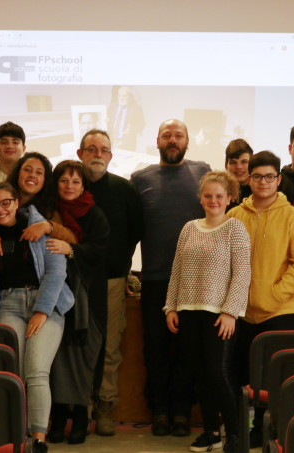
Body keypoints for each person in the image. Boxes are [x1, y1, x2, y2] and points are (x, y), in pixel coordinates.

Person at [130, 119, 211, 437]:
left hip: (196, 280)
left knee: (188, 350)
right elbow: (131, 229)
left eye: (179, 135)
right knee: (156, 349)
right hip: (154, 278)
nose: (173, 140)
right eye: (167, 135)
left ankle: (181, 412)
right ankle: (160, 411)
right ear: (157, 141)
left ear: (188, 142)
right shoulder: (139, 178)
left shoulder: (203, 170)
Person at [226, 150, 294, 448]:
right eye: (257, 176)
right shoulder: (234, 215)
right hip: (240, 312)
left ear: (279, 179)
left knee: (273, 379)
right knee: (242, 377)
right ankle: (246, 430)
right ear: (249, 179)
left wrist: (273, 294)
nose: (264, 182)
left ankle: (273, 431)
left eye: (270, 176)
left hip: (280, 312)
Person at [0, 182, 73, 453]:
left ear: (16, 202)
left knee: (36, 371)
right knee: (15, 371)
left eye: (6, 203)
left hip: (44, 302)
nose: (1, 210)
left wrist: (42, 311)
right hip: (8, 305)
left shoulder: (37, 226)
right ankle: (16, 435)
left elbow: (56, 272)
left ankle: (38, 439)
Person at [166, 171, 250, 453]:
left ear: (229, 198)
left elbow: (242, 275)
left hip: (220, 314)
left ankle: (236, 434)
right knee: (199, 375)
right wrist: (171, 307)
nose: (213, 200)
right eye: (208, 195)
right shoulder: (189, 227)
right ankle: (211, 433)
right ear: (200, 197)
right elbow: (177, 270)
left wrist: (230, 312)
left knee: (219, 374)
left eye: (219, 196)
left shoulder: (235, 228)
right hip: (189, 312)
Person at [75, 129, 143, 435]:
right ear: (80, 154)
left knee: (110, 346)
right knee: (75, 345)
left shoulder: (124, 189)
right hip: (72, 281)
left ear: (111, 156)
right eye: (91, 149)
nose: (97, 154)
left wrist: (125, 268)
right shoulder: (67, 186)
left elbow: (135, 232)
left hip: (113, 280)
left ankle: (104, 405)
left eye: (103, 149)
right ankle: (79, 407)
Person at [46, 160, 110, 446]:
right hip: (54, 295)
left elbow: (100, 252)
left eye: (75, 181)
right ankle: (58, 418)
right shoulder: (48, 211)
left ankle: (81, 417)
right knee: (57, 358)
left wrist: (71, 249)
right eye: (64, 180)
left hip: (88, 297)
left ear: (83, 186)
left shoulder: (95, 214)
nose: (69, 186)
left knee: (83, 356)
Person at [107, 86, 145, 151]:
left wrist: (132, 129)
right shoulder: (112, 106)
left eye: (124, 96)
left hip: (127, 143)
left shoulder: (136, 108)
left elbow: (141, 124)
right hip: (112, 141)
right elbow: (107, 121)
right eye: (120, 96)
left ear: (129, 96)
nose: (121, 98)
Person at [224, 139, 253, 209]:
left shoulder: (262, 191)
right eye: (233, 162)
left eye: (244, 162)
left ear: (253, 164)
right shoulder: (219, 194)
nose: (239, 167)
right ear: (226, 166)